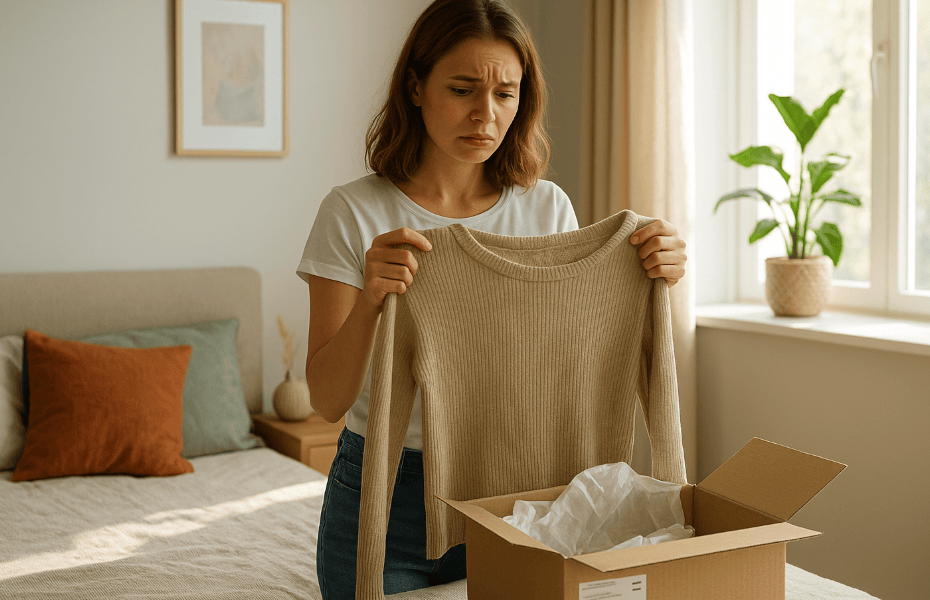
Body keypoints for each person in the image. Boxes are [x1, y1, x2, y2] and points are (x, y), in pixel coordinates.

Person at [296, 1, 687, 597]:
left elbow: (560, 361)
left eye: (507, 94)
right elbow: (326, 400)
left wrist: (652, 268)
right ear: (416, 87)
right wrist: (373, 297)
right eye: (463, 89)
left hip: (520, 500)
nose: (486, 114)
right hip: (385, 491)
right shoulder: (353, 212)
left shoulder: (546, 208)